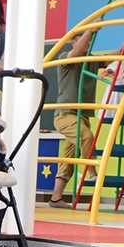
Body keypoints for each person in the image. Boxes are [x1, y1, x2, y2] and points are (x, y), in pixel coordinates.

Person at [46, 28, 95, 208]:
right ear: (73, 42)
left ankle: (56, 198)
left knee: (68, 159)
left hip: (82, 116)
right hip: (65, 115)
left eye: (88, 40)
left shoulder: (91, 60)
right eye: (82, 40)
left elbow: (118, 55)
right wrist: (89, 31)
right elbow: (77, 50)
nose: (87, 43)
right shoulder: (66, 58)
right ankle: (91, 172)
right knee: (86, 137)